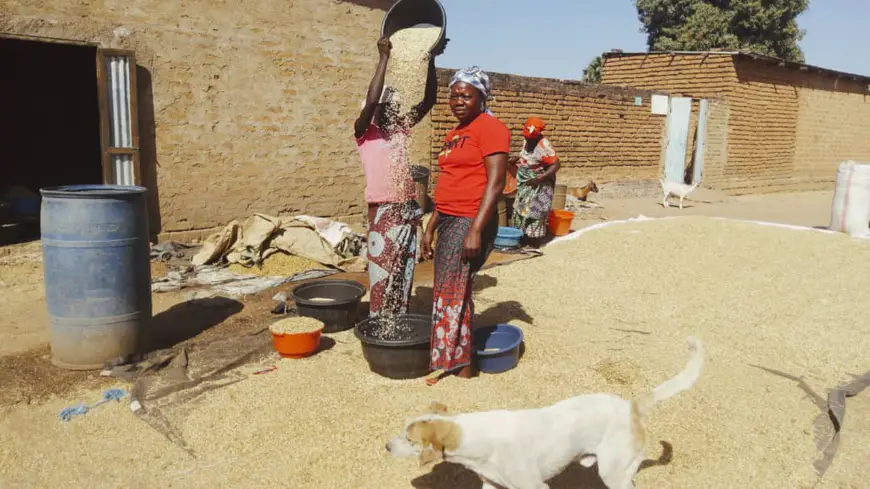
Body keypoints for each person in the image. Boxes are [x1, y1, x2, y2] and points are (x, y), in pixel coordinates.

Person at [421, 66, 510, 386]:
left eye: (466, 95)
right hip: (449, 219)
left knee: (454, 291)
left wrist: (475, 228)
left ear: (481, 97)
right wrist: (431, 226)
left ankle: (463, 366)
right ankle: (452, 359)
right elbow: (448, 184)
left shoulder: (491, 128)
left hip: (471, 220)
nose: (458, 100)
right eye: (454, 95)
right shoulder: (456, 132)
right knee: (447, 291)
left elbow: (496, 182)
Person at [354, 36, 444, 318]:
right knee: (381, 269)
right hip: (382, 211)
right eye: (386, 107)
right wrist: (384, 58)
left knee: (404, 269)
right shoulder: (365, 133)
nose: (393, 111)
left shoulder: (401, 129)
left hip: (406, 210)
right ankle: (379, 322)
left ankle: (399, 316)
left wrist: (431, 59)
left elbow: (429, 99)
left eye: (395, 106)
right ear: (376, 110)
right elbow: (370, 101)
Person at [510, 117, 561, 246]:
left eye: (530, 139)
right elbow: (526, 155)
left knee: (535, 211)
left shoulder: (543, 145)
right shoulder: (527, 139)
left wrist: (540, 178)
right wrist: (518, 158)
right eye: (526, 138)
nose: (527, 140)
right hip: (526, 181)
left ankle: (534, 241)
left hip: (540, 183)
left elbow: (556, 165)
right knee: (521, 209)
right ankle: (522, 237)